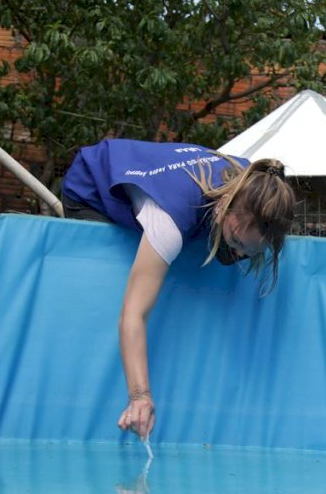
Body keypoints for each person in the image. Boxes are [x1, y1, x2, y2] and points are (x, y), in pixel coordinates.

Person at [61, 138, 295, 439]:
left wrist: (243, 244)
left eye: (250, 252)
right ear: (223, 205)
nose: (238, 255)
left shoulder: (259, 185)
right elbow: (133, 315)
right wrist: (139, 396)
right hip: (92, 186)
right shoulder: (169, 221)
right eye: (236, 242)